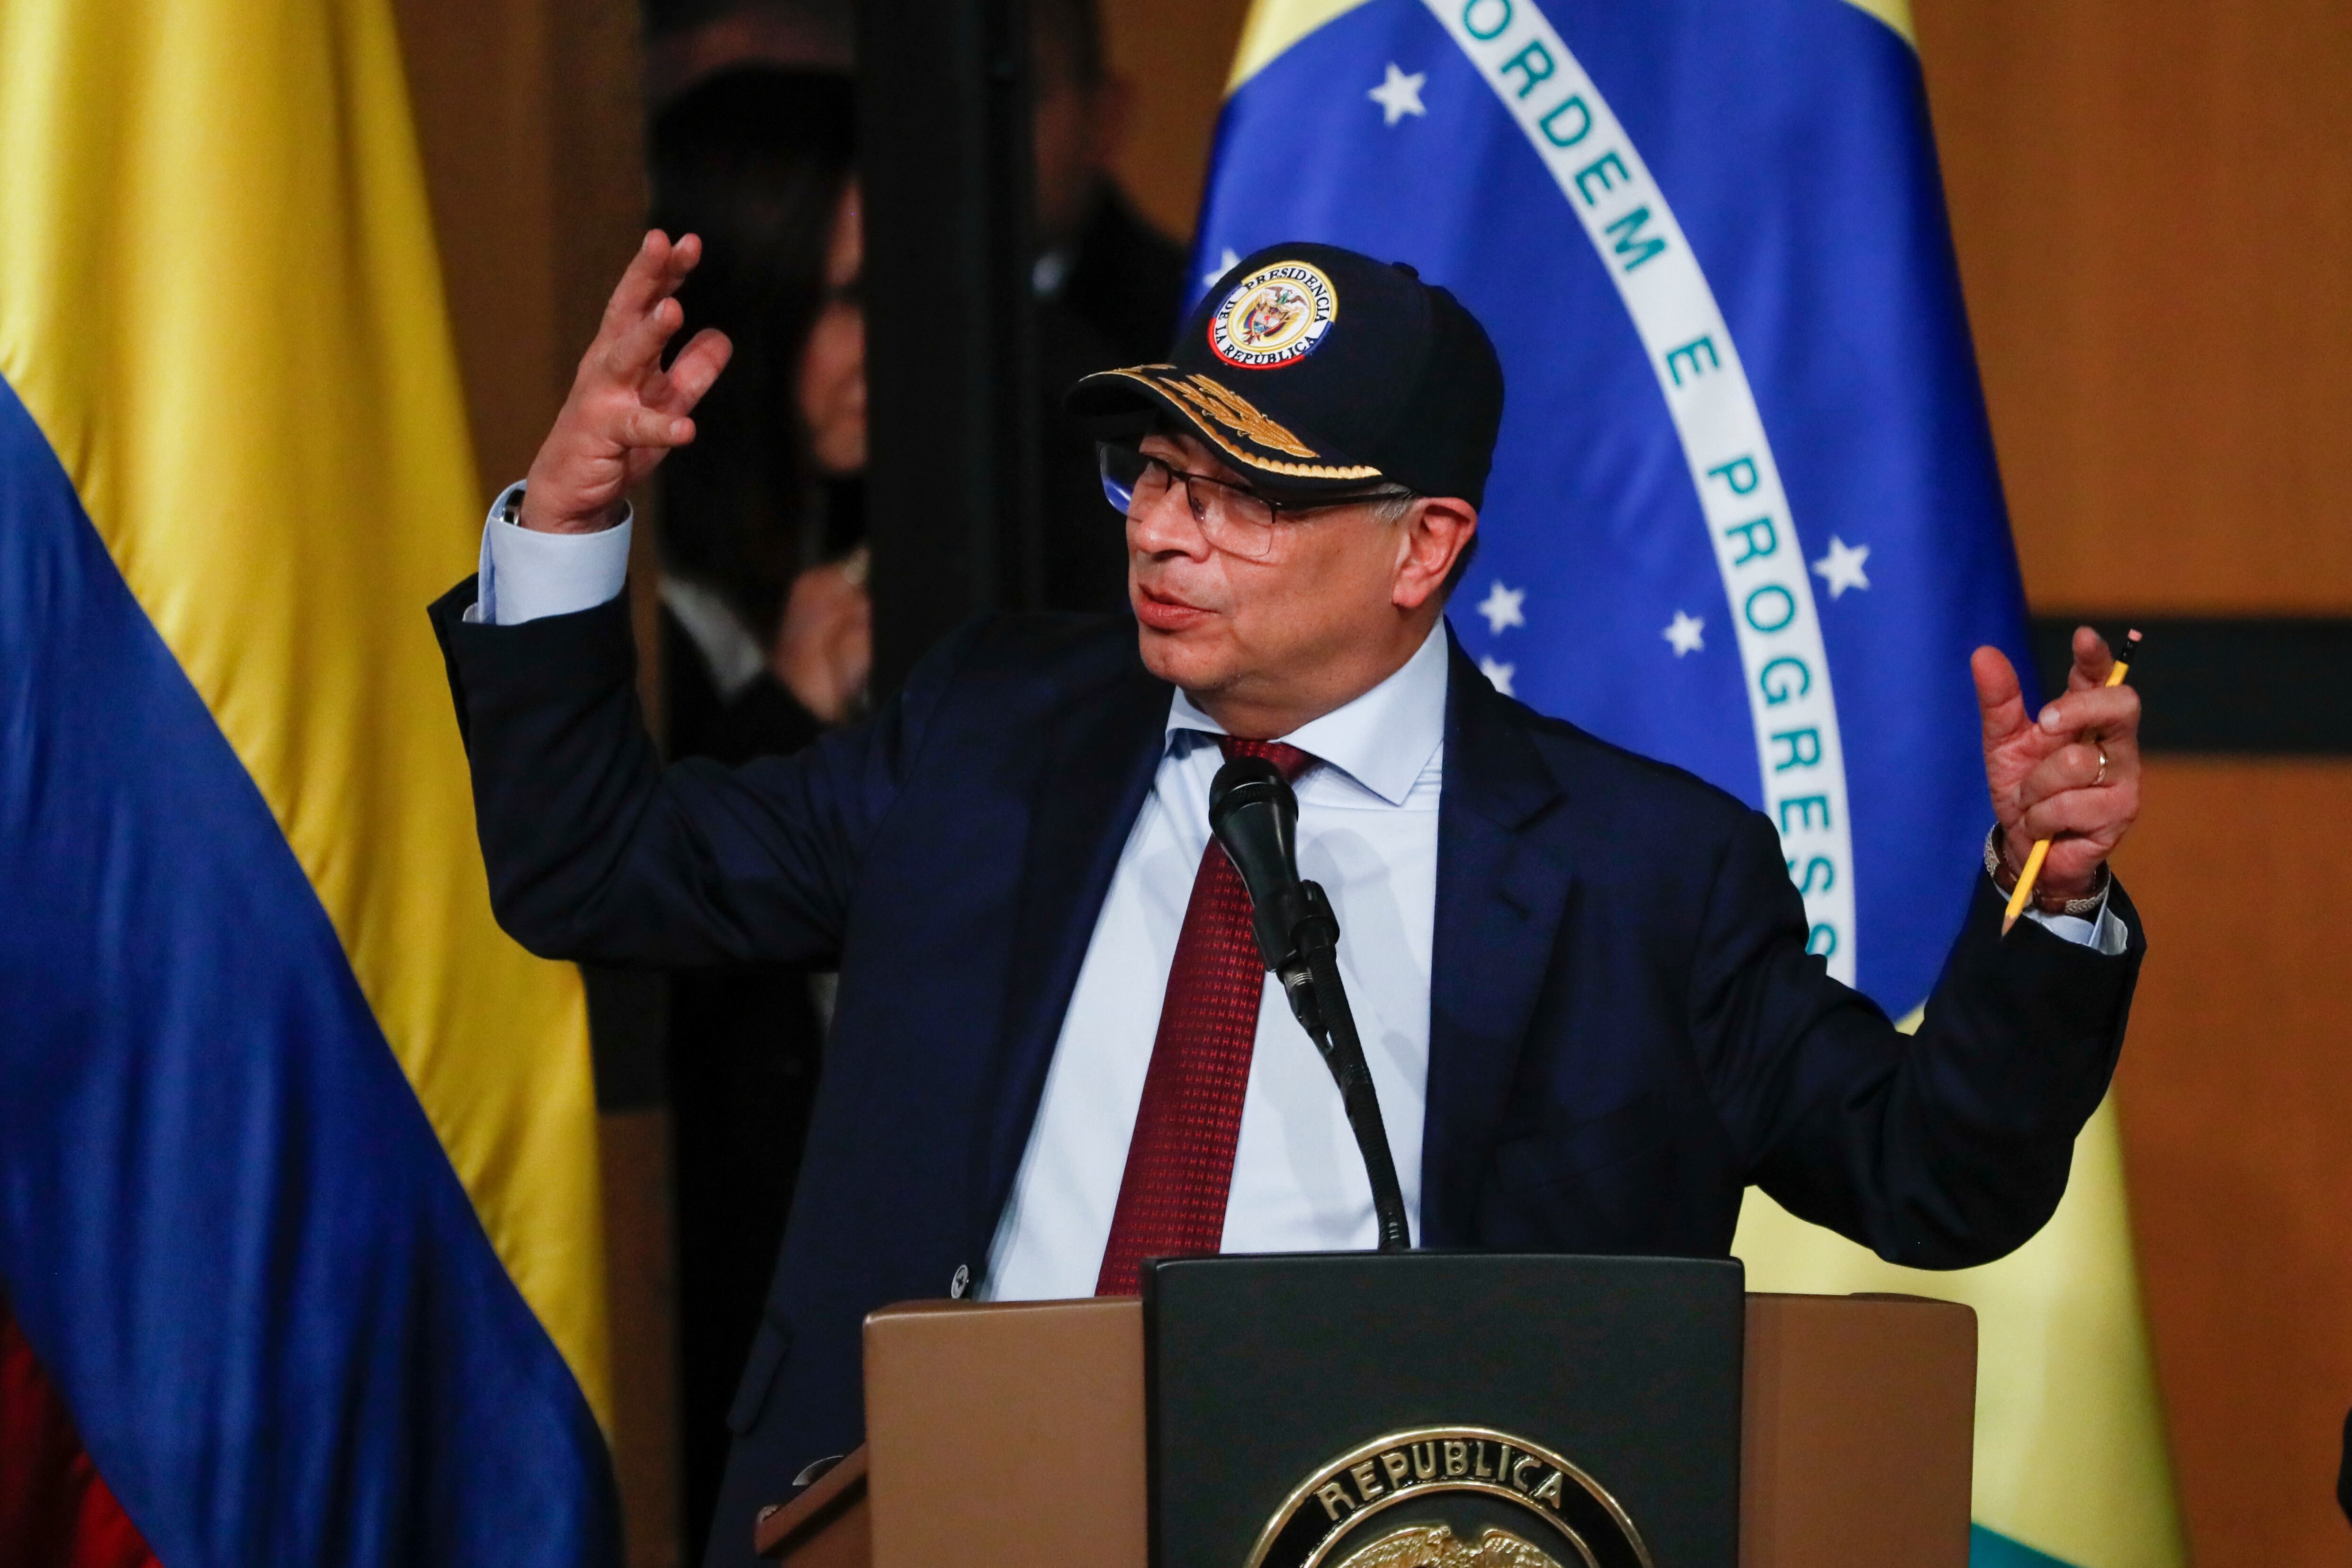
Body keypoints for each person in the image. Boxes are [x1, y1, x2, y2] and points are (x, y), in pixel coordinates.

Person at [431, 236, 2146, 1568]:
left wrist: (2046, 903)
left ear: (1424, 548)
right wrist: (567, 528)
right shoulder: (993, 735)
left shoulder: (1642, 875)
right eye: (1157, 474)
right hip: (935, 1515)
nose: (1166, 536)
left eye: (1244, 498)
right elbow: (600, 867)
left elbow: (1932, 1179)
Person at [643, 66, 872, 1562]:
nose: (880, 345)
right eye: (846, 298)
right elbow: (623, 972)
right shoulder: (643, 630)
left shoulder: (882, 555)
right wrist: (783, 714)